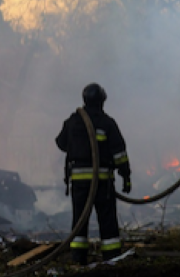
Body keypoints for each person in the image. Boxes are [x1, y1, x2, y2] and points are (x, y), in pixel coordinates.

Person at [56, 83, 132, 264]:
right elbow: (119, 152)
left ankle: (78, 259)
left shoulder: (73, 121)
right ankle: (112, 259)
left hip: (79, 183)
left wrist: (77, 148)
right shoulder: (107, 123)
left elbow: (60, 143)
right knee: (107, 220)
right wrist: (126, 176)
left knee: (79, 221)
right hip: (102, 182)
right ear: (102, 101)